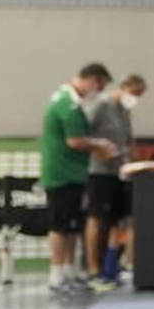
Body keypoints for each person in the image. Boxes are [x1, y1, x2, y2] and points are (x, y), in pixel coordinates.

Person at [40, 64, 118, 295]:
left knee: (73, 227)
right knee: (59, 226)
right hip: (61, 174)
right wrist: (100, 145)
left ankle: (68, 271)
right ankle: (56, 275)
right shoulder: (68, 104)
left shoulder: (73, 102)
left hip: (74, 173)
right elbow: (74, 140)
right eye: (100, 86)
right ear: (91, 80)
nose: (99, 91)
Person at [84, 73, 146, 291]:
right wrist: (99, 149)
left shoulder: (124, 110)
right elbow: (84, 133)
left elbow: (129, 139)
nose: (135, 98)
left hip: (120, 171)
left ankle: (109, 268)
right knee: (97, 220)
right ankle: (92, 269)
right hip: (100, 171)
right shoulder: (101, 105)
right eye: (135, 93)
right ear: (125, 86)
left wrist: (134, 161)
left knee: (117, 221)